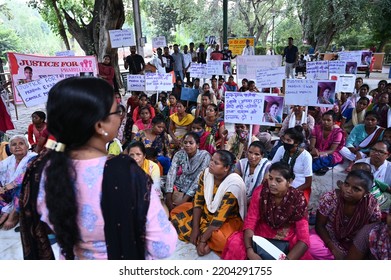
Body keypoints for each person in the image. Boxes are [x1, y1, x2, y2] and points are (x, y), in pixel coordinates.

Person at [19, 77, 177, 260]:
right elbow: (163, 246)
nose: (121, 115)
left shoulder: (41, 169)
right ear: (100, 125)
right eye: (116, 110)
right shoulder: (125, 172)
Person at [221, 162, 312, 260]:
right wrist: (250, 250)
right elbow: (250, 221)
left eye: (278, 180)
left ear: (289, 182)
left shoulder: (298, 199)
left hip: (285, 238)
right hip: (260, 234)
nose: (272, 183)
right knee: (235, 244)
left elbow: (304, 238)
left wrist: (286, 261)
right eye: (270, 178)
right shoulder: (261, 192)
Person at [171, 150, 246, 256]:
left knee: (221, 240)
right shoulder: (205, 174)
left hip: (226, 221)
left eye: (216, 163)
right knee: (176, 212)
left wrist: (202, 241)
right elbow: (198, 200)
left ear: (226, 168)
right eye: (211, 160)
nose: (211, 164)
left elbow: (219, 219)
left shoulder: (233, 185)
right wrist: (195, 229)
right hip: (206, 213)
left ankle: (208, 242)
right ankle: (207, 239)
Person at [309, 170, 381, 259]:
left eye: (356, 189)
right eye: (346, 184)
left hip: (355, 243)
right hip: (329, 237)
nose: (348, 190)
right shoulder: (330, 198)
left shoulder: (371, 205)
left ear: (366, 193)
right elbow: (319, 225)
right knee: (311, 244)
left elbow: (374, 231)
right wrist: (333, 248)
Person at [165, 132, 211, 212]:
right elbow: (171, 173)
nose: (187, 145)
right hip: (180, 185)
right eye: (185, 143)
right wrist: (168, 197)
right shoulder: (179, 154)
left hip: (194, 188)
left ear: (197, 145)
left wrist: (183, 201)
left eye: (191, 143)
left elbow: (199, 178)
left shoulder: (204, 156)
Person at [0, 135, 37, 230]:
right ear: (10, 149)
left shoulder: (34, 158)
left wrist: (8, 186)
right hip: (9, 191)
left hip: (30, 193)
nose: (17, 146)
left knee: (23, 185)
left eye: (21, 143)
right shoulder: (9, 161)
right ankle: (5, 210)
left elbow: (27, 174)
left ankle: (14, 214)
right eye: (14, 144)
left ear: (27, 146)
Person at [271, 127, 313, 202]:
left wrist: (291, 192)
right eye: (284, 139)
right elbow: (272, 167)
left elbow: (308, 183)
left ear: (296, 143)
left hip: (299, 187)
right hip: (280, 183)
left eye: (288, 140)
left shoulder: (306, 156)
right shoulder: (281, 149)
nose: (285, 142)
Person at [355, 141, 391, 211]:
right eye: (373, 149)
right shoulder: (359, 164)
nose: (376, 153)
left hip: (382, 203)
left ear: (388, 155)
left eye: (381, 152)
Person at [309, 110, 345, 175]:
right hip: (316, 151)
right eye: (324, 119)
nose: (325, 122)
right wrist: (313, 149)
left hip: (330, 154)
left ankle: (308, 170)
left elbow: (332, 150)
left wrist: (319, 154)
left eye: (328, 120)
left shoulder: (338, 133)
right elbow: (312, 145)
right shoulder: (316, 128)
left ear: (334, 122)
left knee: (322, 160)